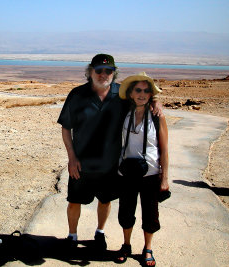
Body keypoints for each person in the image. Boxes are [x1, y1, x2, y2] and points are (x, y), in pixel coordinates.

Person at [57, 55, 163, 250]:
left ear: (114, 73)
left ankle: (100, 233)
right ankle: (72, 236)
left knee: (105, 201)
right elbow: (66, 128)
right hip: (82, 163)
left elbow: (141, 100)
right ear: (90, 72)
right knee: (74, 201)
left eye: (109, 71)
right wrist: (71, 158)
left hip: (111, 164)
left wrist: (155, 102)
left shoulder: (121, 94)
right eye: (99, 70)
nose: (104, 74)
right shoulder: (77, 95)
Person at [116, 72, 169, 266]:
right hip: (127, 172)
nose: (142, 94)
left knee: (150, 214)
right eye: (138, 90)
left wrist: (165, 178)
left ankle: (148, 248)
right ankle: (126, 245)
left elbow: (164, 149)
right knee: (126, 212)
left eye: (147, 91)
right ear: (131, 93)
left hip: (151, 174)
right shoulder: (124, 112)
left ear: (151, 95)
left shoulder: (157, 116)